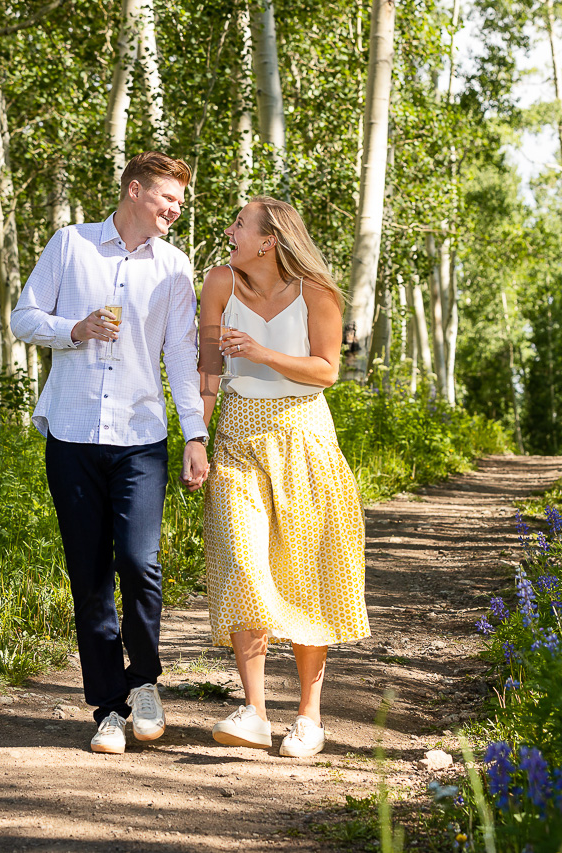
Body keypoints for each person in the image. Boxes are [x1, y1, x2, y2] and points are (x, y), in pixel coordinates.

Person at [10, 152, 210, 755]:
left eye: (179, 202)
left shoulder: (175, 267)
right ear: (134, 190)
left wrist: (194, 435)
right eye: (166, 199)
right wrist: (74, 329)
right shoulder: (70, 245)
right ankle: (109, 709)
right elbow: (23, 318)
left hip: (140, 437)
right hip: (72, 434)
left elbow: (180, 355)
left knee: (140, 564)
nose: (174, 210)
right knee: (90, 576)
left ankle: (144, 681)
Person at [197, 197, 369, 759]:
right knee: (242, 562)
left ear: (270, 240)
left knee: (304, 572)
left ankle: (308, 717)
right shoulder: (219, 282)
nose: (229, 230)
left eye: (239, 224)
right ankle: (253, 711)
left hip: (305, 436)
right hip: (236, 437)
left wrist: (263, 353)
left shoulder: (319, 293)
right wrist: (196, 438)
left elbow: (327, 370)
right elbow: (208, 367)